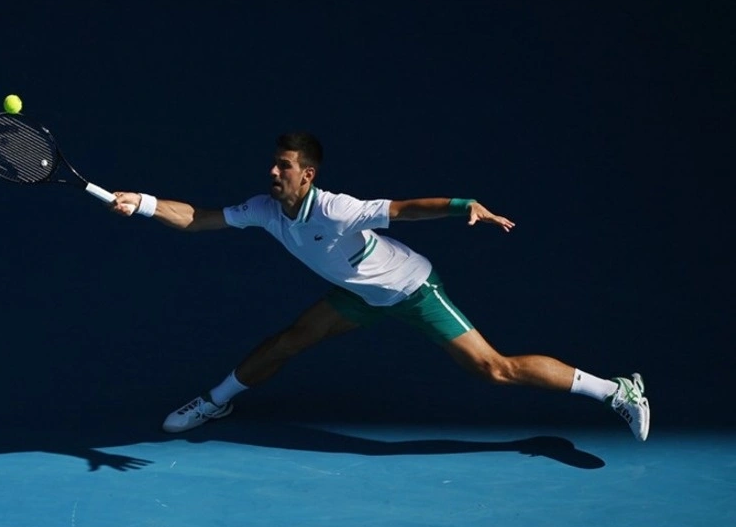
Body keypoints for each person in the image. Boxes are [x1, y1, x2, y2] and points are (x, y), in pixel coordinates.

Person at [109, 132, 650, 441]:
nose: (272, 172)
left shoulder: (338, 209)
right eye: (272, 163)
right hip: (359, 296)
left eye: (284, 166)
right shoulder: (263, 210)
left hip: (412, 289)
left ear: (308, 175)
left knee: (494, 369)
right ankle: (216, 401)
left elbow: (405, 209)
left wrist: (464, 206)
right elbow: (199, 218)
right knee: (288, 341)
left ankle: (617, 390)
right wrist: (145, 204)